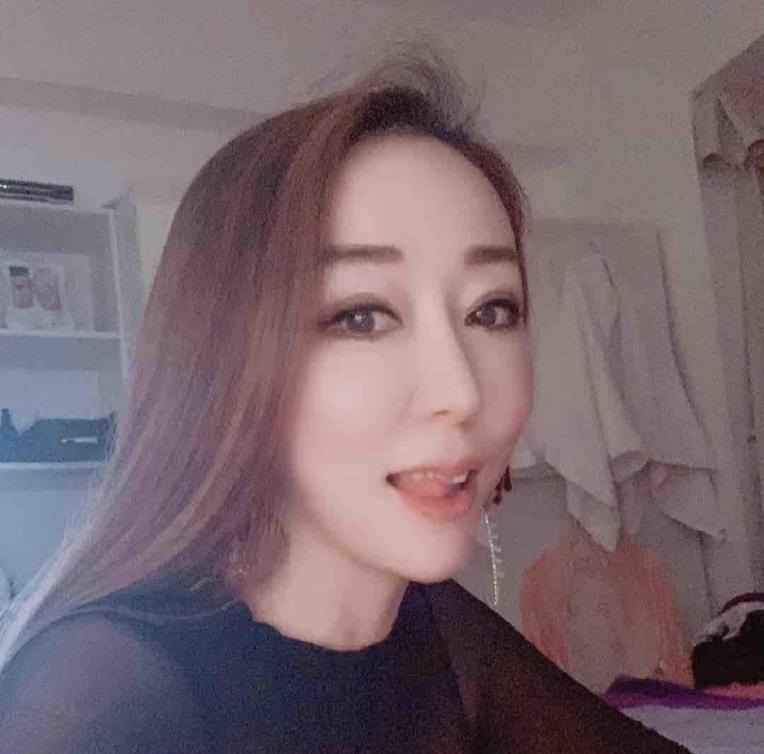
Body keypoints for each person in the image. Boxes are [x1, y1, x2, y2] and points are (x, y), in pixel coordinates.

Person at [0, 52, 689, 753]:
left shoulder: (436, 629)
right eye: (363, 316)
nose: (462, 391)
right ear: (226, 357)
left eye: (491, 311)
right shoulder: (101, 701)